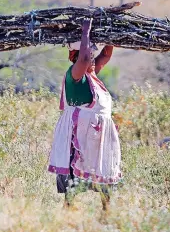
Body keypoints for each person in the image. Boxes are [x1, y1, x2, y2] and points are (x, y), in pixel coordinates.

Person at [47, 18, 122, 211]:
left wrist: (110, 32)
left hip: (97, 135)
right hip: (79, 134)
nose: (92, 58)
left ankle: (106, 212)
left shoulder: (91, 74)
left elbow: (105, 54)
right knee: (74, 172)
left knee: (102, 167)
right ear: (78, 57)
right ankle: (68, 209)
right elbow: (84, 59)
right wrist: (86, 30)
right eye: (88, 53)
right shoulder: (75, 75)